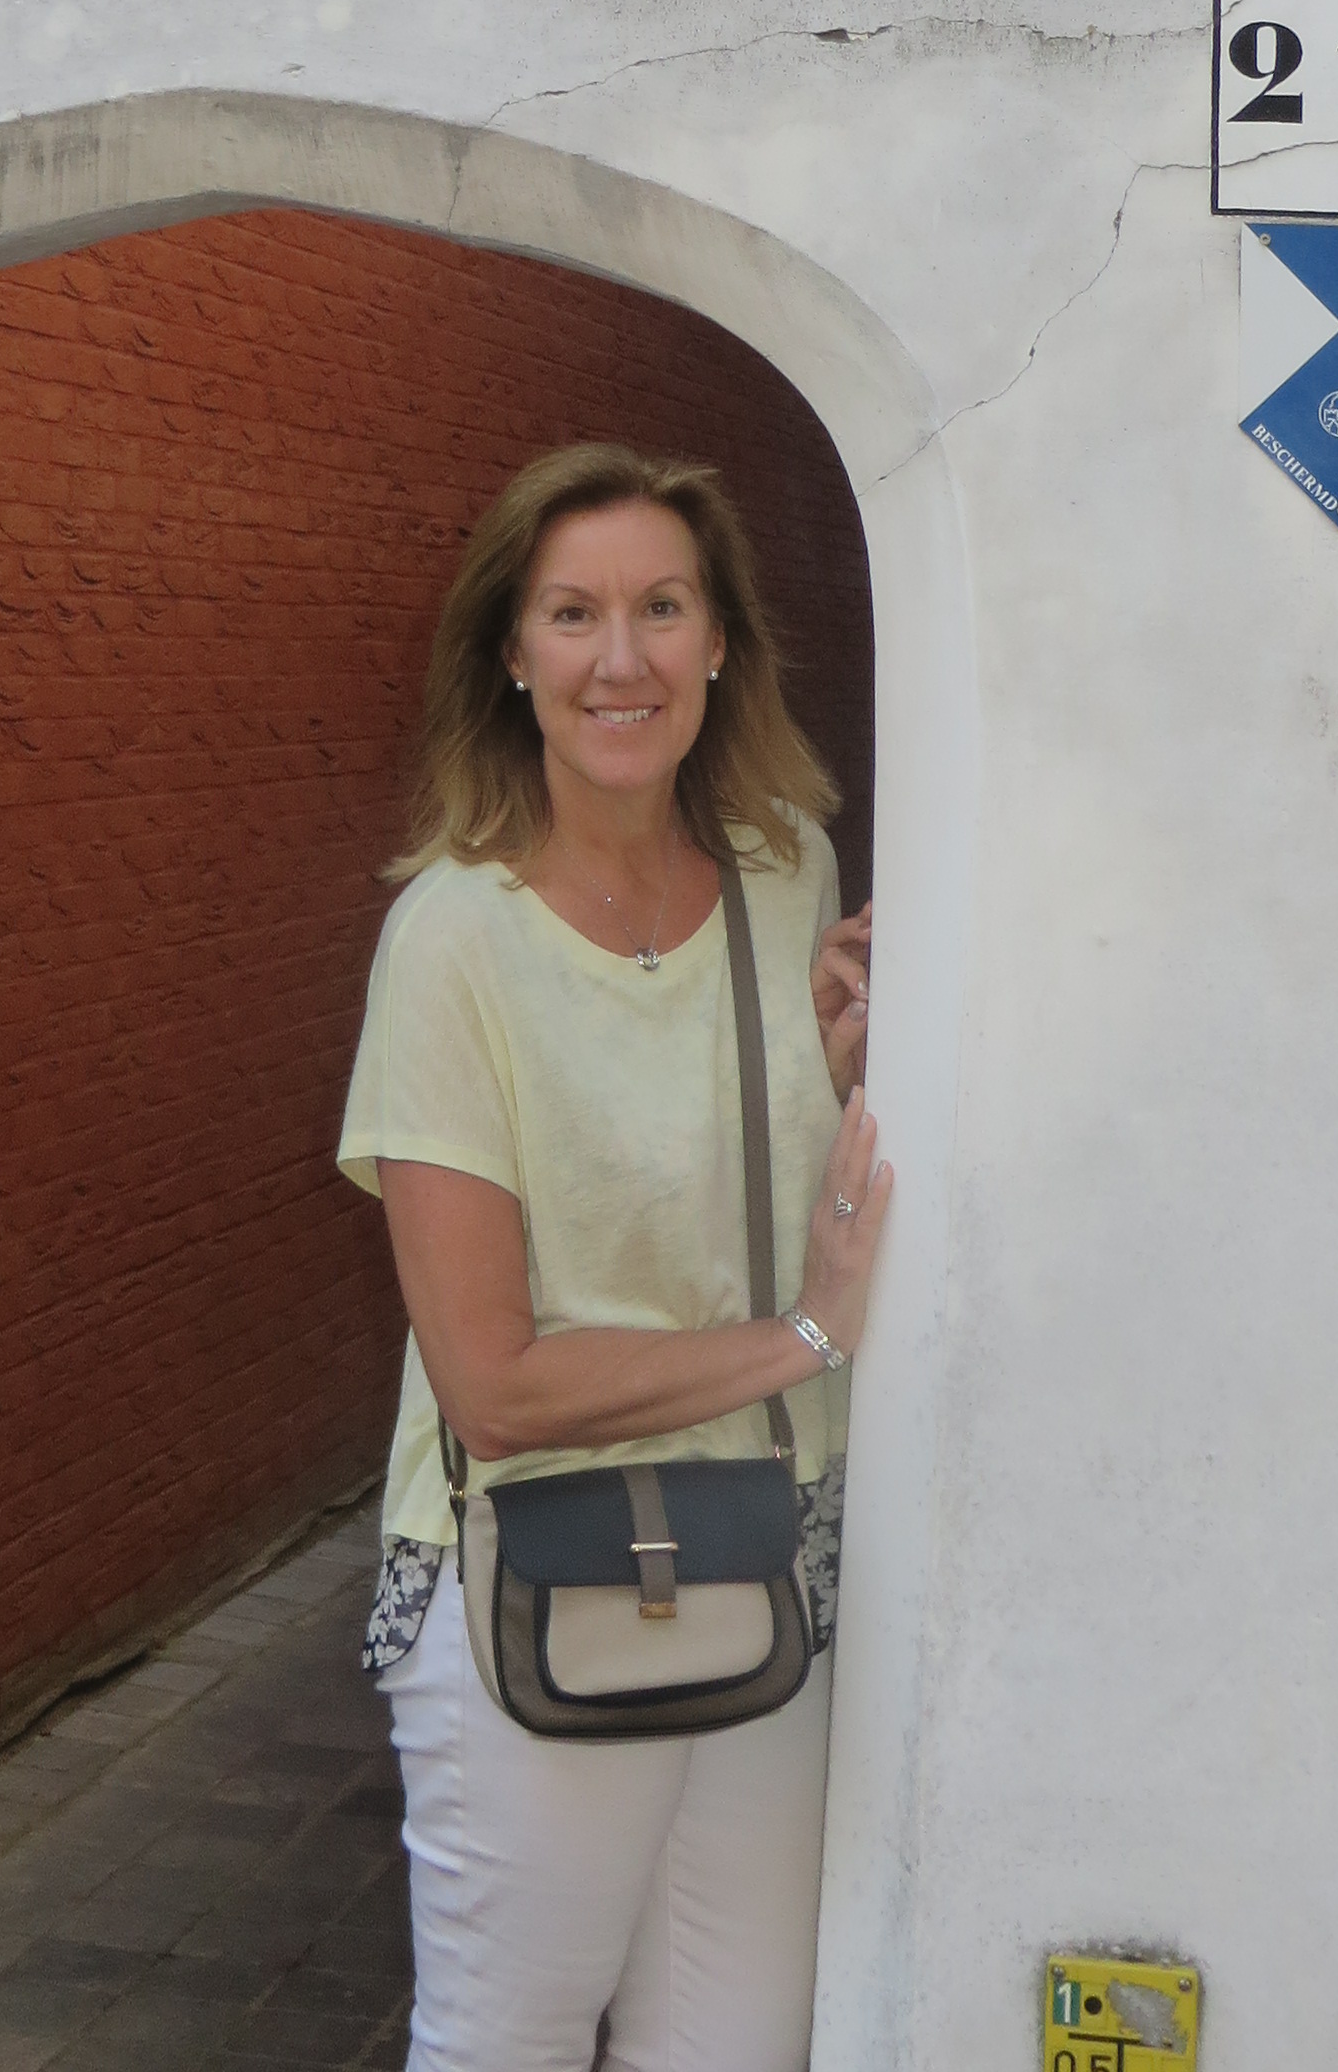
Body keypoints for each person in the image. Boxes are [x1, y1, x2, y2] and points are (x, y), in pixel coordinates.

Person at [338, 441, 890, 2072]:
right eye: (573, 614)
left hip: (773, 1546)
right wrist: (804, 1337)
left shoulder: (790, 875)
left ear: (720, 643)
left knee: (735, 2050)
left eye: (662, 607)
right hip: (537, 1562)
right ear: (513, 655)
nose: (621, 658)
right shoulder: (453, 939)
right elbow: (493, 1386)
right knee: (503, 2046)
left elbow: (778, 1183)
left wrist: (849, 1072)